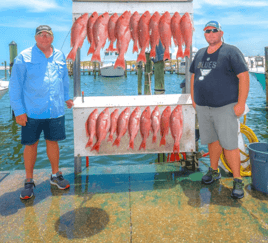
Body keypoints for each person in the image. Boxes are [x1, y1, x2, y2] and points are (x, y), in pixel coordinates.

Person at [9, 25, 74, 200]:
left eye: (47, 35)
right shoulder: (23, 57)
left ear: (52, 37)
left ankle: (55, 175)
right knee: (30, 145)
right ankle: (29, 181)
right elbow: (15, 86)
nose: (44, 37)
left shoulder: (60, 56)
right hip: (32, 112)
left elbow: (64, 80)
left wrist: (67, 97)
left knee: (53, 142)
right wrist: (19, 111)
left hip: (55, 111)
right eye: (40, 35)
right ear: (36, 37)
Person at [190, 21, 249, 199]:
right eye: (207, 31)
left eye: (214, 30)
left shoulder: (231, 51)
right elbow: (193, 76)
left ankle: (238, 180)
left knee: (230, 144)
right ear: (204, 34)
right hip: (203, 108)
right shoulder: (200, 53)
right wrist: (194, 100)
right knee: (212, 141)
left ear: (221, 33)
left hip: (225, 107)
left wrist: (240, 103)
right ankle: (214, 170)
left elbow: (244, 77)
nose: (211, 33)